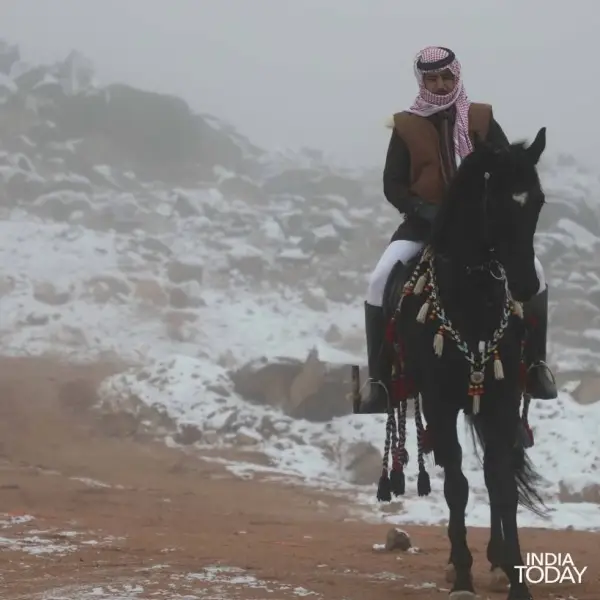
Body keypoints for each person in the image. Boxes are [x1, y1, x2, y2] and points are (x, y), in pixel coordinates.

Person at [361, 45, 557, 413]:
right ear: (422, 81)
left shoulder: (481, 117)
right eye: (431, 79)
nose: (439, 84)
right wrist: (423, 210)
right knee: (379, 280)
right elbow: (393, 184)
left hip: (482, 228)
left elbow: (508, 166)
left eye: (446, 77)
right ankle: (379, 382)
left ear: (457, 75)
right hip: (424, 227)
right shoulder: (405, 125)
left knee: (537, 275)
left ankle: (535, 367)